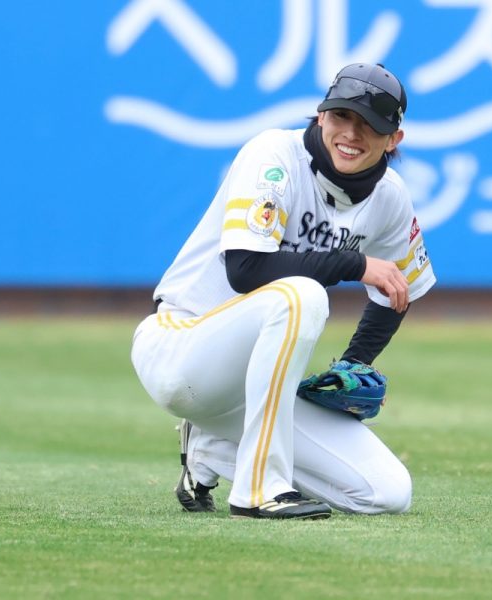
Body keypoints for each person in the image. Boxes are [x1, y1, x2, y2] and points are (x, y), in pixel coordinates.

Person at [130, 63, 435, 520]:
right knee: (302, 295)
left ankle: (212, 449)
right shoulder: (274, 156)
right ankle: (259, 490)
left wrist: (354, 362)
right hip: (182, 348)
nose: (351, 133)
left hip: (253, 389)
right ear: (321, 115)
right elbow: (246, 269)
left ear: (393, 139)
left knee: (387, 493)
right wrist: (355, 263)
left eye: (370, 124)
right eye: (342, 116)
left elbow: (397, 288)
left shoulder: (390, 196)